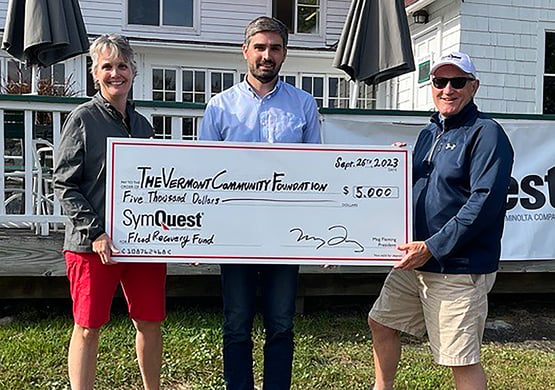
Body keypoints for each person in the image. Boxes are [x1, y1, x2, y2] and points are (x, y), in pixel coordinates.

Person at [368, 51, 514, 390]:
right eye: (439, 81)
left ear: (473, 87)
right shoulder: (428, 134)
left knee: (460, 359)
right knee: (380, 322)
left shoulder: (487, 134)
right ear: (431, 87)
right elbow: (411, 189)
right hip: (416, 263)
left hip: (458, 269)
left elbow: (485, 203)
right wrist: (394, 165)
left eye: (457, 81)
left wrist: (433, 247)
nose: (448, 89)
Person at [199, 16, 321, 390]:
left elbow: (318, 172)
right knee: (236, 322)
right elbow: (200, 174)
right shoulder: (220, 107)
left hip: (286, 235)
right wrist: (199, 235)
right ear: (245, 51)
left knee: (281, 323)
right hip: (235, 234)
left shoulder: (304, 105)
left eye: (275, 48)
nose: (267, 55)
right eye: (260, 47)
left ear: (284, 53)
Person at [53, 34, 166, 390]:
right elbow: (64, 184)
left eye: (122, 65)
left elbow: (154, 188)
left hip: (140, 244)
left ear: (133, 70)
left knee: (150, 320)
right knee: (88, 326)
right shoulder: (82, 119)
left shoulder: (144, 126)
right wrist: (95, 231)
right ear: (94, 73)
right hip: (92, 246)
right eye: (107, 67)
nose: (115, 73)